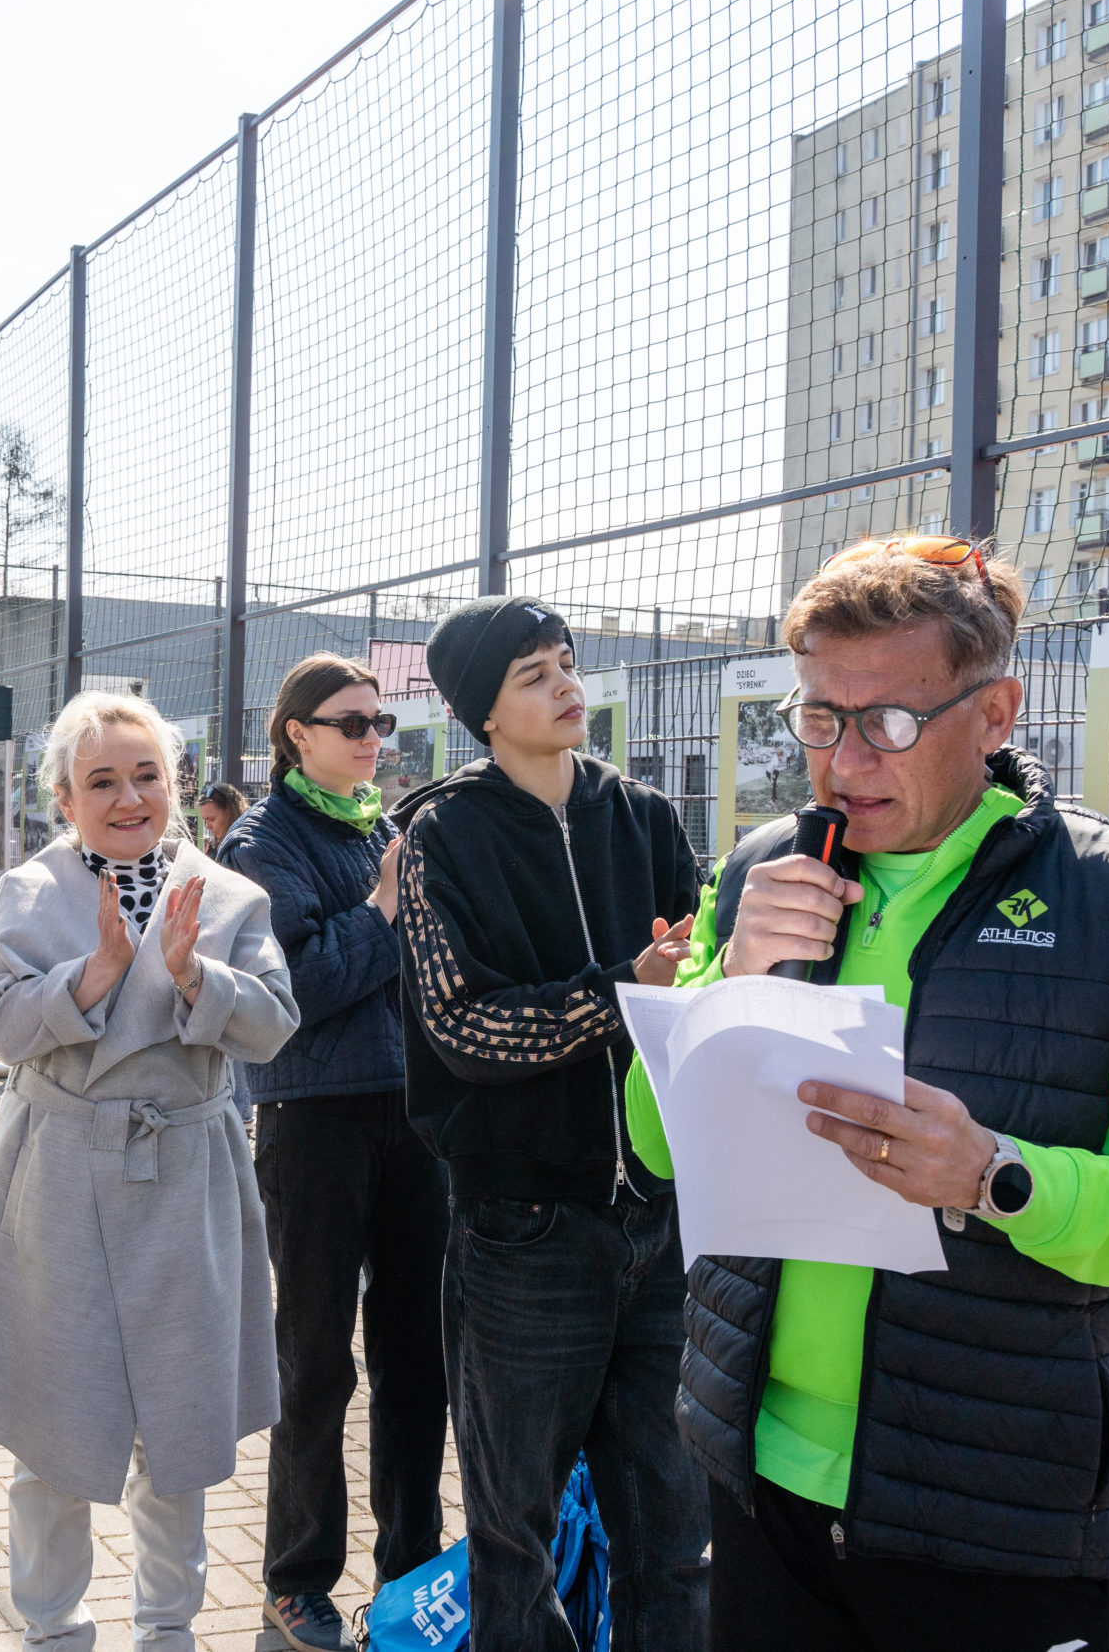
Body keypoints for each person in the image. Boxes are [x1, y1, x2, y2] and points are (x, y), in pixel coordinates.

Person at [629, 535, 1109, 1652]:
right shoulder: (761, 869)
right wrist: (726, 981)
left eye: (889, 721)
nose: (843, 760)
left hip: (1002, 1507)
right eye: (819, 717)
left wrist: (996, 1177)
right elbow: (655, 1146)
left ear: (995, 714)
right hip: (760, 1473)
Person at [0, 690, 300, 1652]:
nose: (129, 796)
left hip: (188, 1173)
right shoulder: (29, 892)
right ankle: (52, 1624)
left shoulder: (230, 896)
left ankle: (167, 1625)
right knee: (51, 1427)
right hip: (61, 1173)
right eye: (101, 780)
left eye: (147, 774)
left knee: (178, 1432)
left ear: (175, 782)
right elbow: (1, 1024)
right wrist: (95, 973)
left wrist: (194, 976)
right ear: (64, 797)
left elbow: (275, 1024)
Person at [390, 594, 703, 1651]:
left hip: (659, 1221)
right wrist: (622, 989)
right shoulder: (443, 836)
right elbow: (462, 1029)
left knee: (675, 1533)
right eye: (535, 674)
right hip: (521, 1231)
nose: (568, 685)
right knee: (513, 1539)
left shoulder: (645, 818)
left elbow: (699, 977)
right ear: (482, 710)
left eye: (567, 662)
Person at [219, 655, 442, 1652]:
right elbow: (295, 991)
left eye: (380, 723)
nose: (371, 739)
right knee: (313, 1358)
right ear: (295, 734)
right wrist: (385, 910)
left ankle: (411, 1570)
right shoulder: (260, 841)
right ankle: (298, 1578)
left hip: (414, 1116)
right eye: (350, 723)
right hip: (312, 1120)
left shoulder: (381, 830)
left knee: (417, 1357)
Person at [198, 782, 247, 858]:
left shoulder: (245, 849)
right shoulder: (214, 847)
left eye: (212, 819)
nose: (207, 826)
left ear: (230, 812)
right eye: (205, 820)